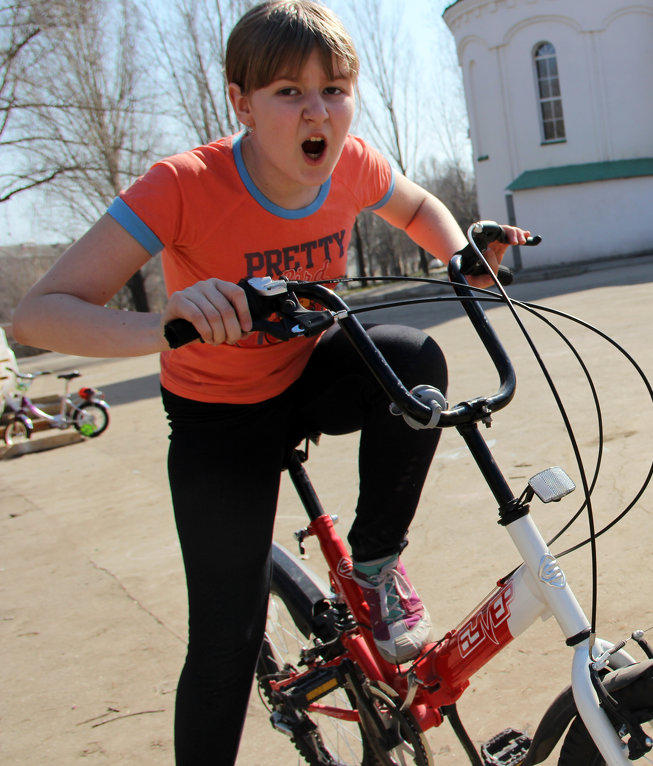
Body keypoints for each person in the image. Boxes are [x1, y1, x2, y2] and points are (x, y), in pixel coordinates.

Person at [11, 2, 530, 764]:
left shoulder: (352, 164)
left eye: (336, 89)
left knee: (415, 360)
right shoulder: (184, 184)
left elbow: (418, 207)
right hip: (219, 421)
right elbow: (37, 315)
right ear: (241, 102)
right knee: (226, 642)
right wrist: (168, 323)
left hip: (308, 376)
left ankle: (377, 566)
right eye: (289, 92)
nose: (318, 111)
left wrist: (462, 256)